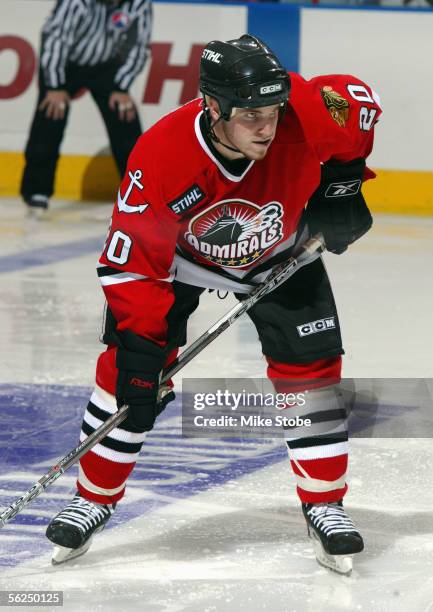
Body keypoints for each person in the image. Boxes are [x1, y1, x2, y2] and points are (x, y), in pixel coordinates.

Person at [45, 35, 381, 573]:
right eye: (250, 115)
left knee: (312, 371)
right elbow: (133, 266)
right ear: (213, 106)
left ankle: (325, 504)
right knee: (126, 373)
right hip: (182, 262)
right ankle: (91, 498)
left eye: (272, 111)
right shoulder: (162, 157)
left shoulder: (309, 111)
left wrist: (342, 184)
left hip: (281, 252)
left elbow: (359, 104)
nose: (267, 127)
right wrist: (141, 351)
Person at [20, 0, 152, 212]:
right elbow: (55, 37)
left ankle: (141, 193)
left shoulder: (139, 3)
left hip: (107, 67)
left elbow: (139, 46)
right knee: (50, 115)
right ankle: (37, 190)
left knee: (125, 119)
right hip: (65, 63)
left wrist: (121, 86)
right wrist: (55, 85)